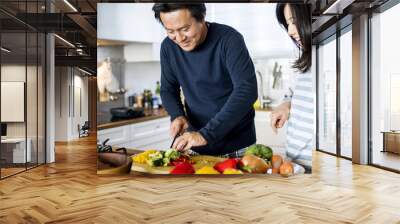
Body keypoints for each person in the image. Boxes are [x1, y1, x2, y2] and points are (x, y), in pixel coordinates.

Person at [152, 3, 258, 156]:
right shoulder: (168, 47)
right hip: (196, 145)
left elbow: (247, 90)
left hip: (238, 145)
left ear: (201, 18)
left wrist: (206, 134)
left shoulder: (229, 39)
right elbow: (168, 89)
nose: (180, 38)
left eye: (185, 29)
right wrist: (177, 115)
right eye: (170, 31)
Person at [272, 3, 313, 172]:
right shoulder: (303, 55)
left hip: (313, 161)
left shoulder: (329, 52)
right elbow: (293, 92)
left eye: (293, 21)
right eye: (288, 23)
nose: (290, 31)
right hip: (296, 160)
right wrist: (286, 104)